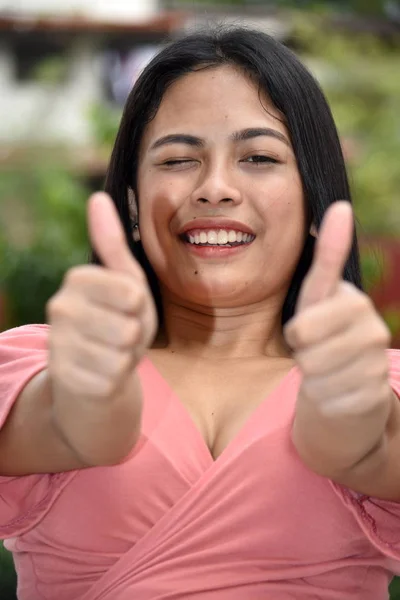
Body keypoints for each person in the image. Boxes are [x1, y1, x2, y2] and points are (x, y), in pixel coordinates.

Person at [0, 26, 399, 600]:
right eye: (180, 159)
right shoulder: (37, 365)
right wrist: (90, 392)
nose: (215, 188)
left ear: (316, 199)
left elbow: (362, 441)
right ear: (132, 205)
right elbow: (74, 421)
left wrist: (347, 407)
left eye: (258, 157)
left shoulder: (377, 385)